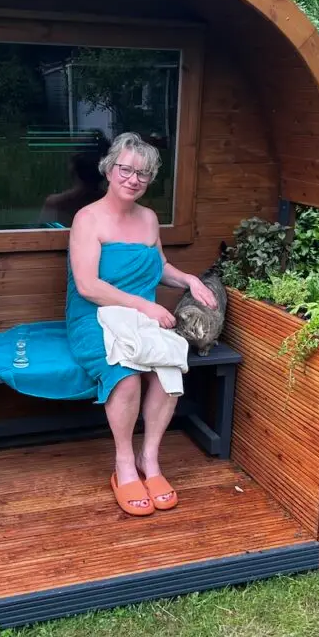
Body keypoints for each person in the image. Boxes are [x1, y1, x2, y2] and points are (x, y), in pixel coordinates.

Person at [65, 131, 218, 517]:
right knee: (127, 376)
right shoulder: (87, 219)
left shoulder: (149, 219)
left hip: (140, 316)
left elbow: (159, 266)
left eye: (143, 174)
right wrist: (145, 307)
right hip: (93, 316)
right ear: (108, 169)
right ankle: (123, 464)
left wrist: (190, 280)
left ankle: (149, 459)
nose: (133, 179)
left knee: (168, 370)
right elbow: (88, 286)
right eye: (126, 170)